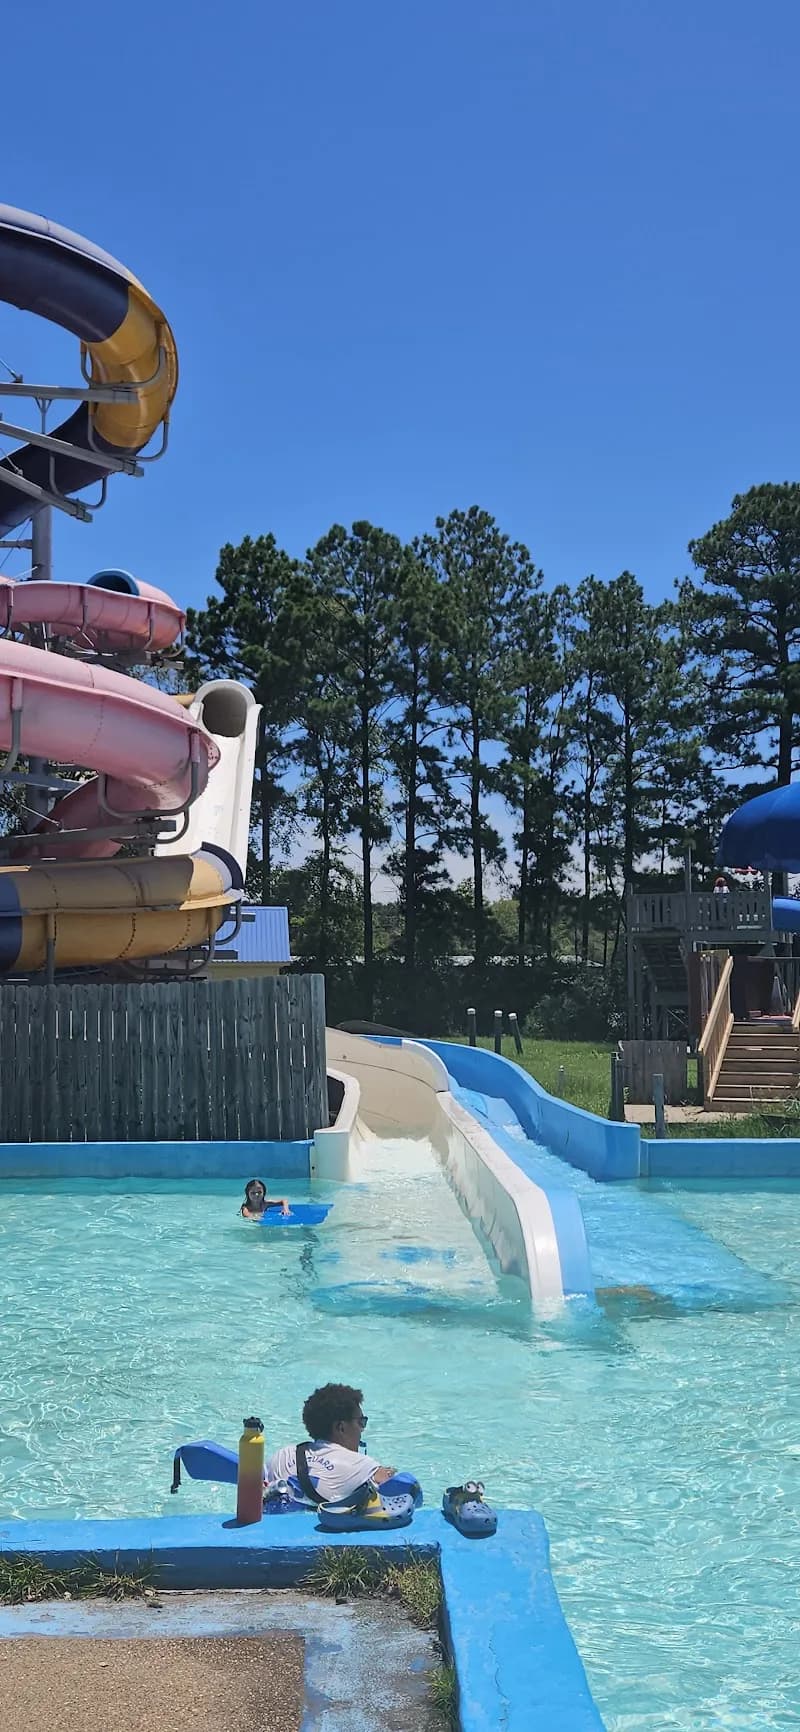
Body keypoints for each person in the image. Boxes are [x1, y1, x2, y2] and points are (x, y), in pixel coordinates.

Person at [265, 1383, 397, 1505]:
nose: (362, 1429)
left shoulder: (282, 1455)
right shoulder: (360, 1465)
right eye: (361, 1422)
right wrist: (388, 1472)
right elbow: (402, 1489)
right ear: (341, 1427)